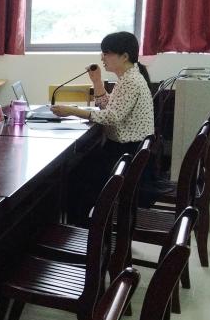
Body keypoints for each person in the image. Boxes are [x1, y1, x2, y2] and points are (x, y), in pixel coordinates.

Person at [51, 31, 156, 222]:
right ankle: (80, 225)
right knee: (77, 167)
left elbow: (112, 117)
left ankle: (80, 230)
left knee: (75, 175)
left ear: (124, 56)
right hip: (125, 150)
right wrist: (97, 82)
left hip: (127, 153)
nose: (102, 58)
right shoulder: (128, 77)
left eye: (106, 53)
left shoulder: (131, 81)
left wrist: (72, 111)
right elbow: (110, 107)